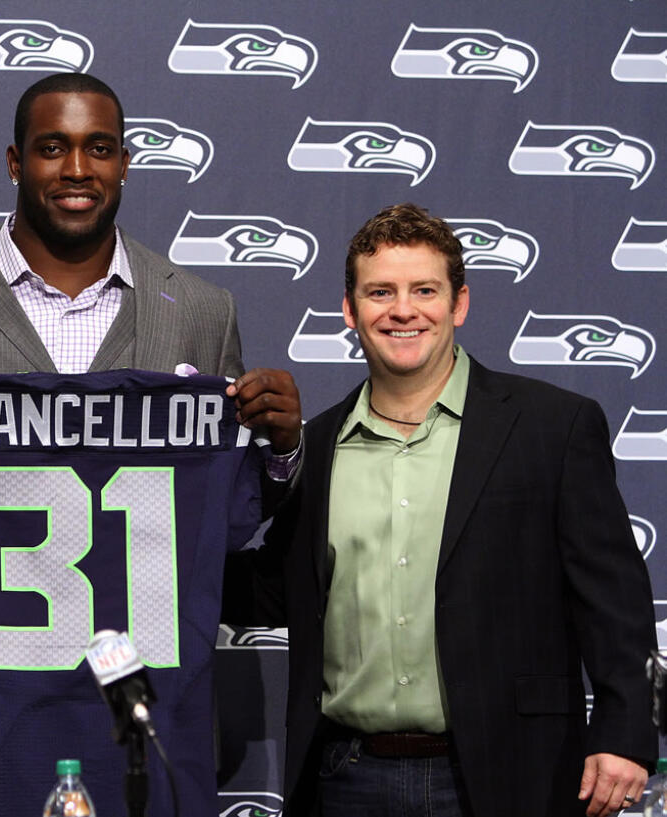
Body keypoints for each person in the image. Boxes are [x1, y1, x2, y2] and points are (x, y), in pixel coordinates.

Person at [0, 72, 303, 815]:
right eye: (53, 148)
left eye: (99, 149)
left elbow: (226, 512)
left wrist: (279, 448)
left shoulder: (202, 310)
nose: (77, 170)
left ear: (126, 162)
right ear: (15, 162)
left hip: (141, 699)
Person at [223, 202, 657, 817]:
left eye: (424, 289)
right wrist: (150, 554)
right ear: (350, 311)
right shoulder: (314, 447)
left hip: (511, 773)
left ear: (459, 304)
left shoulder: (552, 428)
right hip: (345, 779)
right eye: (381, 292)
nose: (403, 310)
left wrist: (623, 730)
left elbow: (616, 601)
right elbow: (275, 588)